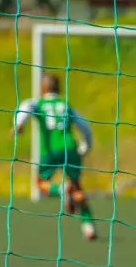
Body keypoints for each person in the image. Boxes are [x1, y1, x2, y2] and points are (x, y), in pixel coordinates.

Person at [12, 73, 97, 241]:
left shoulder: (39, 103)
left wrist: (19, 123)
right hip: (70, 148)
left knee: (41, 185)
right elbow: (84, 127)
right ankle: (89, 227)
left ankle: (61, 190)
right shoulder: (66, 105)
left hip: (49, 150)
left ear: (42, 88)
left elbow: (26, 106)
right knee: (77, 188)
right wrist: (85, 146)